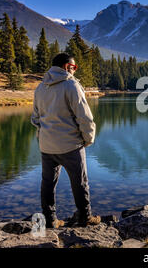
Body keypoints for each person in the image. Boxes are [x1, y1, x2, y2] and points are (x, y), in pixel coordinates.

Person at [31, 53, 101, 228]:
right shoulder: (71, 85)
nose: (74, 70)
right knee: (80, 182)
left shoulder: (40, 88)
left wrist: (43, 136)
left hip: (47, 146)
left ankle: (49, 219)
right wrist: (88, 139)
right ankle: (85, 217)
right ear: (65, 66)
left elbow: (35, 118)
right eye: (74, 67)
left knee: (47, 182)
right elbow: (85, 117)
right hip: (70, 144)